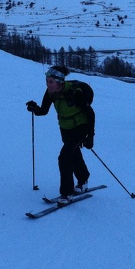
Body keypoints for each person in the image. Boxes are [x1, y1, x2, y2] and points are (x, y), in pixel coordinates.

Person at [27, 66, 94, 205]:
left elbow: (90, 113)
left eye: (51, 82)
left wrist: (90, 136)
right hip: (65, 128)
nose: (48, 85)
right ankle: (83, 179)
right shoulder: (51, 93)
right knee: (73, 153)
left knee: (64, 157)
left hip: (80, 127)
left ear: (60, 82)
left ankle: (67, 192)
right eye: (47, 81)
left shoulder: (74, 93)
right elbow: (43, 111)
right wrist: (34, 108)